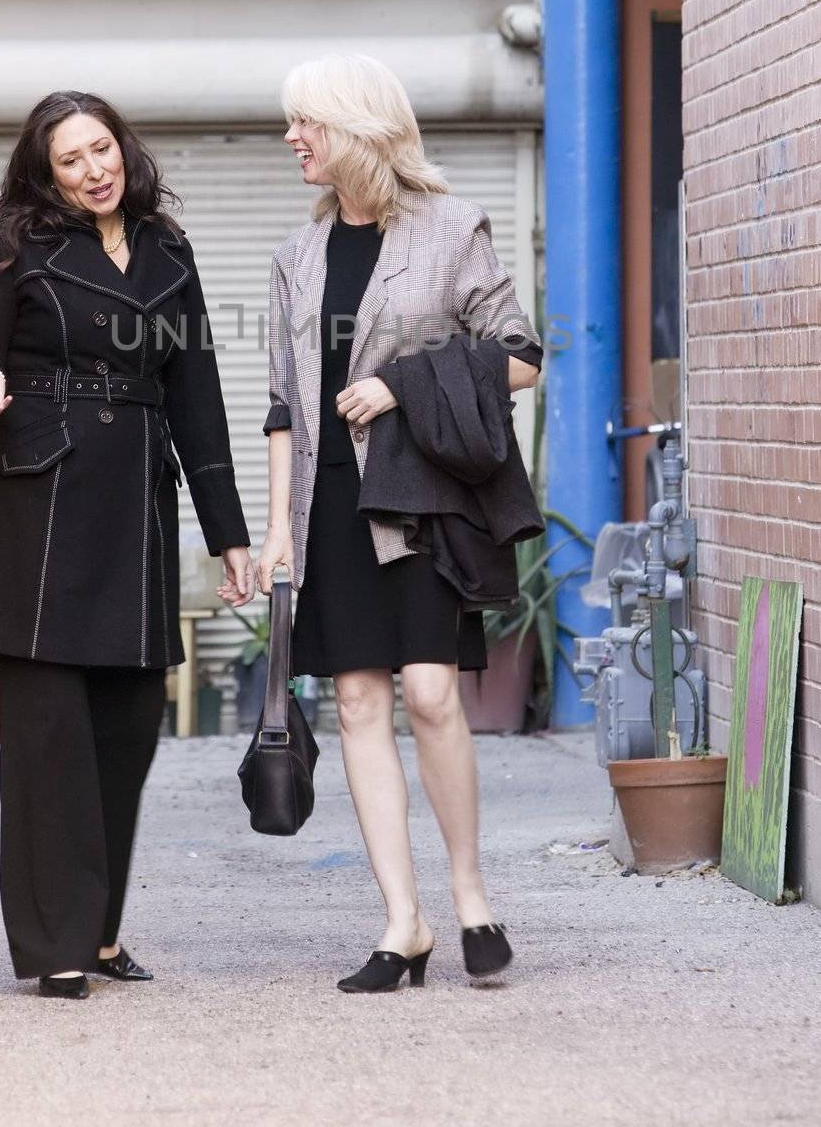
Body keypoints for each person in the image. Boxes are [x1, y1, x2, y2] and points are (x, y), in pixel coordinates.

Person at [0, 90, 253, 998]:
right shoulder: (9, 243)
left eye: (101, 149)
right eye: (70, 161)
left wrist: (229, 535)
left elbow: (199, 396)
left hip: (135, 504)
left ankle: (99, 933)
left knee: (125, 727)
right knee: (47, 733)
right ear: (46, 173)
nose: (92, 170)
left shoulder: (168, 250)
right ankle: (55, 946)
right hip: (38, 496)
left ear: (124, 148)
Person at [254, 55, 542, 992]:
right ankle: (401, 923)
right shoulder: (294, 259)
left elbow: (522, 358)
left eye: (308, 122)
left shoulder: (453, 229)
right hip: (327, 503)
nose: (292, 138)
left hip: (418, 501)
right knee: (355, 702)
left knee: (428, 693)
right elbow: (282, 408)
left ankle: (469, 897)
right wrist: (276, 530)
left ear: (360, 129)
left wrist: (403, 384)